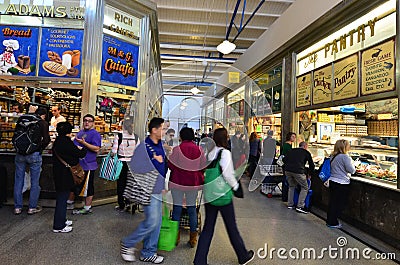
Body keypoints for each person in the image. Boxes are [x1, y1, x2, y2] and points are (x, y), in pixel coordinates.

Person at [194, 128, 254, 265]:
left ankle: (199, 260)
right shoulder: (224, 153)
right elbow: (228, 174)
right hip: (222, 196)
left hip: (210, 195)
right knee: (231, 226)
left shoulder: (210, 152)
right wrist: (237, 187)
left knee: (208, 228)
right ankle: (243, 255)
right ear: (224, 138)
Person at [120, 117, 167, 263]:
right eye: (163, 128)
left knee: (157, 222)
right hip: (148, 189)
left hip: (158, 188)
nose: (165, 131)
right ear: (154, 130)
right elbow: (135, 167)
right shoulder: (144, 147)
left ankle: (148, 252)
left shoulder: (160, 145)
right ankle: (128, 244)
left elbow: (162, 167)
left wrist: (164, 185)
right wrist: (154, 161)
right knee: (152, 221)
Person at [168, 127, 205, 248]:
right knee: (191, 210)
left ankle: (175, 238)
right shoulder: (199, 149)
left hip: (178, 182)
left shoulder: (177, 150)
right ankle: (193, 239)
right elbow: (203, 166)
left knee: (177, 208)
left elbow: (171, 166)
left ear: (181, 137)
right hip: (192, 184)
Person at [13, 107, 50, 215]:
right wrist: (39, 148)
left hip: (20, 154)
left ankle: (17, 207)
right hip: (34, 155)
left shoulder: (22, 119)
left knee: (19, 180)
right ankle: (32, 207)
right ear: (44, 115)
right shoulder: (42, 122)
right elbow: (46, 139)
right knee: (35, 182)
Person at [52, 122, 86, 233]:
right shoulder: (66, 142)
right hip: (65, 174)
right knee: (62, 200)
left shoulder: (58, 141)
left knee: (62, 197)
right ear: (69, 131)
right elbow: (80, 154)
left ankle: (62, 220)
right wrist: (83, 146)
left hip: (59, 173)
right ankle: (58, 226)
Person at [67, 114, 101, 215]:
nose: (87, 122)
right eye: (85, 120)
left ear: (93, 123)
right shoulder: (80, 133)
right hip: (78, 165)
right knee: (74, 184)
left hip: (89, 165)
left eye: (89, 121)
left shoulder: (95, 134)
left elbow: (96, 148)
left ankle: (87, 207)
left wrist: (84, 143)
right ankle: (70, 202)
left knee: (88, 186)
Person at [112, 117, 140, 212]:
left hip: (121, 163)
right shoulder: (136, 137)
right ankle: (130, 203)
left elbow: (113, 152)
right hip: (132, 164)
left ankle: (121, 204)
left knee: (121, 185)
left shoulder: (119, 136)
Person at [326, 139, 355, 228]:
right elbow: (352, 170)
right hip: (341, 183)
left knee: (333, 202)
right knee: (339, 204)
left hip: (333, 181)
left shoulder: (333, 156)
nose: (349, 146)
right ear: (344, 146)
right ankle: (333, 222)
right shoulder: (344, 157)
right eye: (348, 145)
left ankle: (330, 220)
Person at [283, 141, 315, 214]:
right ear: (305, 146)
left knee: (291, 186)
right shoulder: (306, 152)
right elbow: (311, 165)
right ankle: (300, 206)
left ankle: (290, 204)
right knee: (305, 187)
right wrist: (310, 174)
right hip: (298, 171)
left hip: (288, 170)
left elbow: (284, 160)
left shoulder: (292, 150)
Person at [281, 132, 296, 202]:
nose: (294, 138)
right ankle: (285, 196)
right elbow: (287, 155)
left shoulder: (287, 145)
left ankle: (285, 196)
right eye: (293, 137)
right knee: (287, 180)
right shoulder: (287, 145)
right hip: (287, 165)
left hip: (285, 165)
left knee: (286, 180)